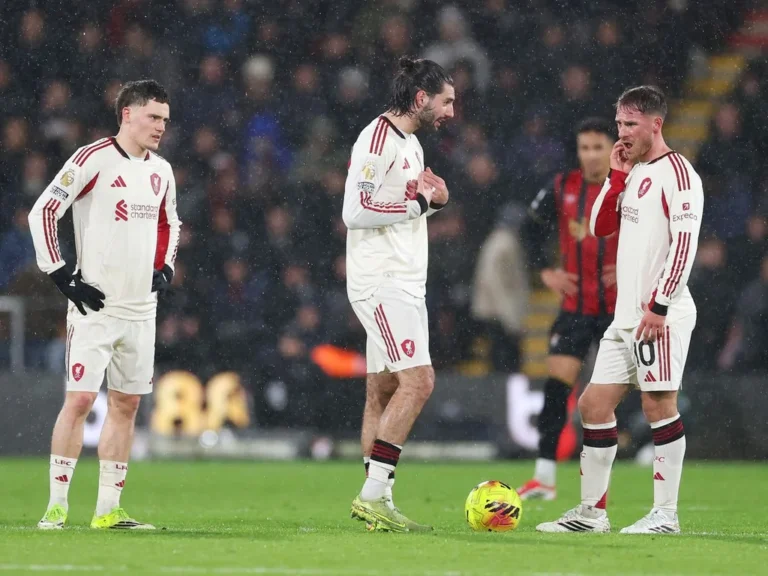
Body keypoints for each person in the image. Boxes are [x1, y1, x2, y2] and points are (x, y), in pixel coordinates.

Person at [537, 86, 703, 534]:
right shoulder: (633, 172)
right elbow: (600, 227)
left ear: (656, 124)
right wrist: (615, 177)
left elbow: (684, 246)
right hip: (626, 318)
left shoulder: (678, 173)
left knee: (658, 404)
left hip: (659, 315)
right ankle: (592, 514)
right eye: (619, 124)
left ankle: (665, 515)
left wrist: (660, 305)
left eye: (631, 124)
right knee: (593, 405)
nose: (622, 132)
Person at [30, 80, 181, 530]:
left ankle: (107, 510)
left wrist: (166, 266)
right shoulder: (92, 158)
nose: (161, 127)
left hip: (141, 310)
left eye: (165, 120)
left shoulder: (162, 171)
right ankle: (56, 506)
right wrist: (61, 274)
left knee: (127, 404)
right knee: (79, 400)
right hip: (95, 307)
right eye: (153, 117)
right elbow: (43, 211)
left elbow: (170, 223)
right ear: (127, 114)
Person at [342, 57, 454, 532]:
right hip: (382, 280)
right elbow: (355, 210)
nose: (451, 112)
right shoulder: (377, 139)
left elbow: (403, 206)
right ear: (421, 98)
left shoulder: (410, 142)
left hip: (405, 279)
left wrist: (433, 203)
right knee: (419, 381)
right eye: (446, 102)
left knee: (383, 388)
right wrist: (419, 203)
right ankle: (372, 495)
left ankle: (380, 499)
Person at [517, 118, 618, 501]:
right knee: (556, 389)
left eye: (597, 147)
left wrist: (631, 269)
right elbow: (527, 230)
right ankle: (544, 477)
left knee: (629, 394)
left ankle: (643, 456)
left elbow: (661, 236)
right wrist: (546, 271)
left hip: (619, 311)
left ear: (612, 148)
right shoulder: (563, 187)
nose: (590, 155)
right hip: (576, 308)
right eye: (584, 148)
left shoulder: (630, 187)